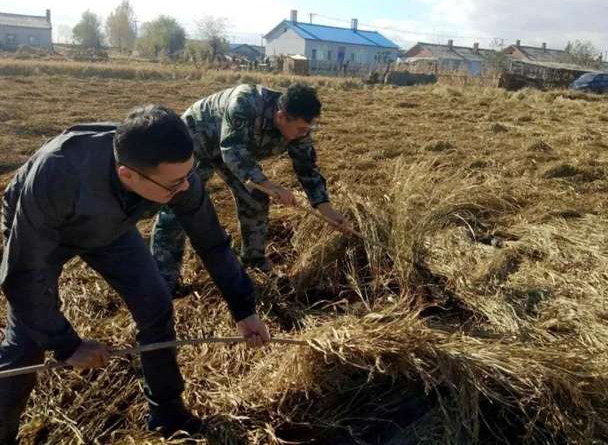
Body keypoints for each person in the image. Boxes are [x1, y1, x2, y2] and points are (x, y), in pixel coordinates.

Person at [0, 105, 270, 443]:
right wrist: (67, 345)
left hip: (111, 229)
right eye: (175, 183)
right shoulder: (58, 174)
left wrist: (243, 308)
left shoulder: (175, 175)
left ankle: (168, 414)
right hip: (43, 231)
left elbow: (211, 241)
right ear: (129, 175)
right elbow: (23, 274)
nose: (186, 187)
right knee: (27, 342)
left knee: (156, 305)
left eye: (189, 173)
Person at [150, 82, 348, 294]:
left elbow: (307, 169)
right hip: (196, 140)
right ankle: (164, 281)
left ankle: (254, 262)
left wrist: (327, 210)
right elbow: (232, 150)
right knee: (178, 205)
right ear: (281, 117)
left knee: (255, 197)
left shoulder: (299, 130)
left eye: (307, 129)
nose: (304, 134)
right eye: (301, 129)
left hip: (234, 152)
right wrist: (270, 186)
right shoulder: (246, 102)